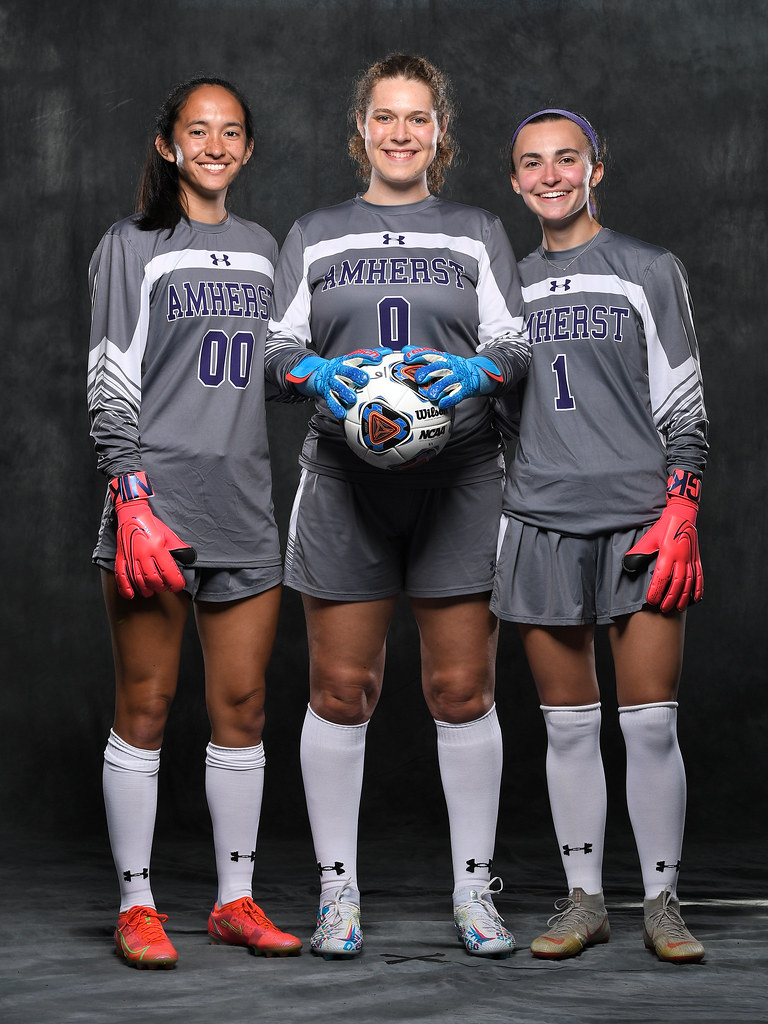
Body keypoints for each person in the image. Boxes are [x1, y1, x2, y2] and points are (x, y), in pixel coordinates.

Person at [264, 53, 531, 959]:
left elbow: (514, 344)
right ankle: (338, 894)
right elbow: (274, 351)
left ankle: (473, 889)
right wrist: (315, 374)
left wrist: (475, 372)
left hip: (459, 479)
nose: (402, 132)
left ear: (440, 133)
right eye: (386, 116)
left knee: (462, 690)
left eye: (419, 117)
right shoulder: (316, 231)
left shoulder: (477, 230)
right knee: (341, 690)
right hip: (344, 482)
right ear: (362, 132)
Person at [87, 76, 302, 969]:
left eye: (231, 133)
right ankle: (137, 906)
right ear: (169, 145)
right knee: (145, 702)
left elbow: (280, 368)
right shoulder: (131, 245)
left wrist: (340, 379)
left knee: (243, 708)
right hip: (157, 508)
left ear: (247, 150)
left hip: (246, 505)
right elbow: (110, 377)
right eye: (197, 131)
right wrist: (128, 496)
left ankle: (234, 901)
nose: (214, 146)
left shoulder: (264, 249)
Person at [492, 108, 708, 963]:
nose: (550, 175)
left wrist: (682, 505)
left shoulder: (648, 268)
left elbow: (683, 396)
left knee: (650, 723)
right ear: (514, 180)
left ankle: (663, 901)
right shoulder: (502, 285)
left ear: (596, 170)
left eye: (566, 160)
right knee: (570, 726)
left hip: (639, 520)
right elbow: (497, 410)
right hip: (541, 521)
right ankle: (584, 900)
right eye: (532, 163)